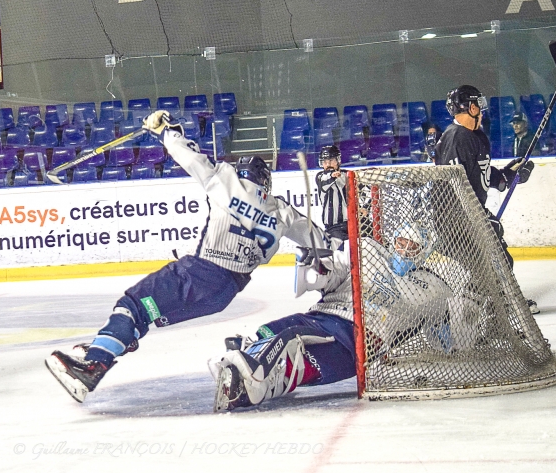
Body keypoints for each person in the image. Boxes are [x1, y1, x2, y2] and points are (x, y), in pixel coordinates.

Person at [45, 110, 329, 403]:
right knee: (147, 314)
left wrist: (167, 131)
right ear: (265, 181)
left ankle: (93, 367)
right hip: (225, 293)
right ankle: (106, 346)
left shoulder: (226, 181)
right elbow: (319, 239)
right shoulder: (282, 212)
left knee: (132, 306)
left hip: (200, 273)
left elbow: (191, 157)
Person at [211, 223, 455, 412]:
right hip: (322, 313)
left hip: (358, 337)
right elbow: (330, 272)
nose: (403, 251)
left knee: (292, 345)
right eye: (401, 243)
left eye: (411, 247)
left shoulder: (431, 287)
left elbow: (445, 335)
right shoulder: (367, 250)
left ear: (424, 253)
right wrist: (316, 268)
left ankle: (254, 378)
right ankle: (245, 371)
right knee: (270, 330)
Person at [434, 85, 538, 314]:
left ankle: (491, 308)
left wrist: (508, 176)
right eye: (477, 104)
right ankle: (483, 311)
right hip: (453, 222)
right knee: (489, 265)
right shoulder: (455, 138)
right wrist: (477, 219)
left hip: (467, 215)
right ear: (469, 106)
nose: (481, 108)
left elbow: (480, 172)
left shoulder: (474, 135)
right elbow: (452, 188)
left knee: (497, 261)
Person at [315, 145, 348, 245]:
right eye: (325, 162)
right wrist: (332, 175)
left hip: (352, 225)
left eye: (331, 160)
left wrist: (363, 208)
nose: (328, 164)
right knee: (341, 252)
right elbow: (326, 180)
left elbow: (361, 190)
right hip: (333, 228)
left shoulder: (347, 175)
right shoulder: (320, 176)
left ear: (338, 161)